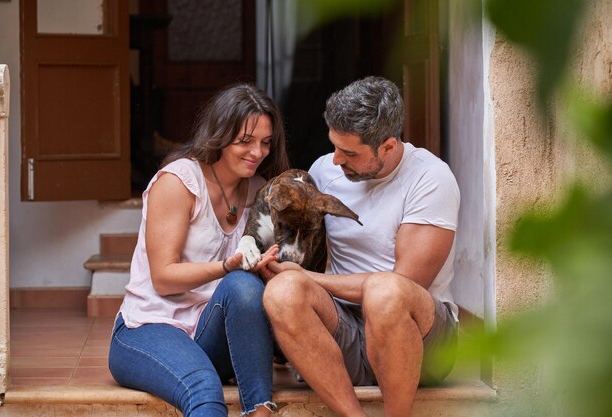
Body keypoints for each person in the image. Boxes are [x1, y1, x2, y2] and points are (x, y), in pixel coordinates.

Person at [261, 76, 460, 417]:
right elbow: (296, 239)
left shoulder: (431, 178)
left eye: (349, 152)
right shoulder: (326, 170)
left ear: (388, 146)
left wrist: (313, 280)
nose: (336, 159)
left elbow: (405, 284)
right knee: (282, 292)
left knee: (385, 293)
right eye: (334, 146)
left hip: (420, 338)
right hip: (347, 330)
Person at [108, 83, 290, 417]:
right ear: (220, 136)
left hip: (208, 334)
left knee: (245, 287)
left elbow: (246, 289)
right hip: (147, 329)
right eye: (245, 141)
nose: (257, 152)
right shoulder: (179, 182)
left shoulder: (260, 191)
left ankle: (260, 411)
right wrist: (227, 266)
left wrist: (265, 268)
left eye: (265, 143)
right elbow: (163, 278)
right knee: (205, 390)